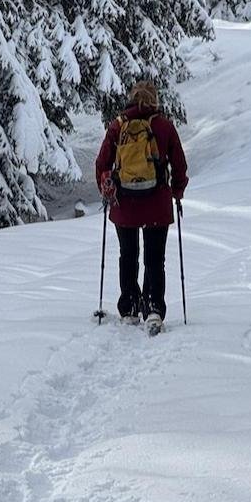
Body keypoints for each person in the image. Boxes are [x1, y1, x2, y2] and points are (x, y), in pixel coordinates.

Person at [95, 80, 189, 331]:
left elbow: (102, 163)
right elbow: (179, 164)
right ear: (154, 99)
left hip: (124, 204)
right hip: (157, 204)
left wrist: (107, 191)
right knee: (155, 258)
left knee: (128, 255)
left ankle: (129, 309)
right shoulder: (164, 126)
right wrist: (177, 192)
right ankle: (154, 309)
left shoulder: (118, 126)